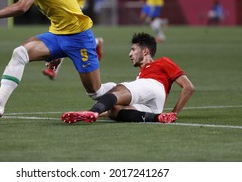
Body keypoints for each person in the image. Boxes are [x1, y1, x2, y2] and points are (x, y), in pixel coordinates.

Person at [61, 32, 195, 124]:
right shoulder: (140, 77)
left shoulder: (162, 62)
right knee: (114, 111)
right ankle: (158, 118)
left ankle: (91, 112)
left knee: (117, 90)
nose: (130, 54)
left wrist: (175, 112)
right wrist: (87, 114)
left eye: (133, 49)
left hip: (154, 87)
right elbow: (111, 107)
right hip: (155, 107)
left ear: (145, 51)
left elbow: (188, 87)